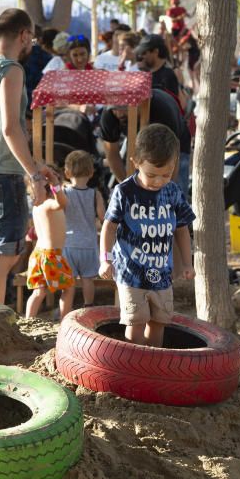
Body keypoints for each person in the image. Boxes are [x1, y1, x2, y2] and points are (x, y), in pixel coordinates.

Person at [0, 8, 59, 305]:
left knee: (2, 253)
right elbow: (10, 127)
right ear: (23, 35)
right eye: (30, 37)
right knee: (4, 255)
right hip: (0, 173)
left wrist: (35, 165)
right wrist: (32, 174)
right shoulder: (11, 69)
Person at [99, 124, 194, 347]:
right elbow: (109, 227)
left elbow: (181, 229)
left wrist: (187, 263)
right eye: (151, 175)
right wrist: (105, 259)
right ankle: (135, 364)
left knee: (160, 321)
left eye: (166, 174)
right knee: (136, 321)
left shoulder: (173, 192)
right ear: (135, 162)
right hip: (131, 273)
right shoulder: (124, 192)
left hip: (162, 273)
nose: (159, 181)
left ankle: (153, 365)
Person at [99, 89, 191, 198]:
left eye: (123, 109)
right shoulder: (109, 115)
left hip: (175, 146)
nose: (119, 113)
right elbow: (112, 154)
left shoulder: (163, 109)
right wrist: (128, 186)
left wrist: (166, 193)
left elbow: (174, 156)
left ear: (138, 103)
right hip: (141, 144)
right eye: (115, 109)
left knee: (175, 195)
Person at [60, 151, 105, 315]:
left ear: (66, 172)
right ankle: (88, 308)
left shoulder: (64, 193)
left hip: (69, 244)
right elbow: (102, 217)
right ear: (91, 173)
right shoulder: (95, 194)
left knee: (68, 285)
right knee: (88, 280)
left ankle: (64, 314)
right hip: (89, 244)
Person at [25, 178, 74, 318]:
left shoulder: (37, 206)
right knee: (69, 288)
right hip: (51, 255)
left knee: (39, 292)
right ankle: (64, 320)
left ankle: (28, 320)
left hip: (38, 254)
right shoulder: (49, 204)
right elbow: (63, 202)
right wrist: (56, 186)